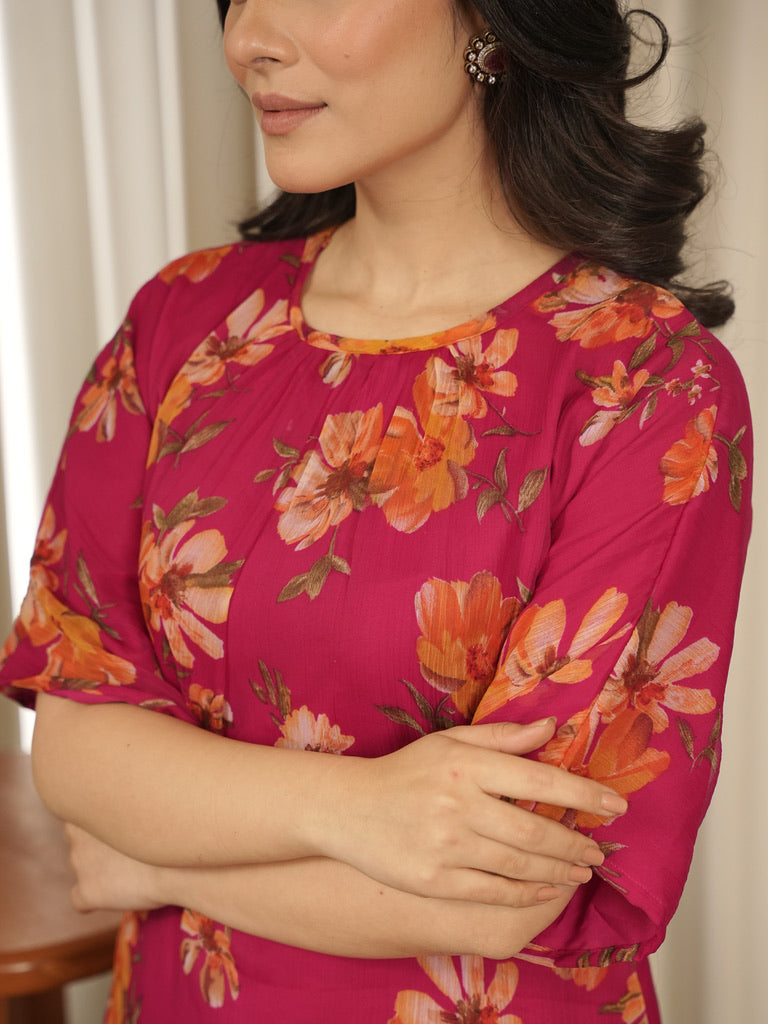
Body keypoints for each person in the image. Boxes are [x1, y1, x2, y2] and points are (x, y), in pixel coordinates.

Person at [0, 0, 752, 1021]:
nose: (247, 40)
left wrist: (158, 864)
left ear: (492, 21)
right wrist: (363, 809)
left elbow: (512, 889)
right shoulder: (181, 321)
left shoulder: (648, 382)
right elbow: (79, 747)